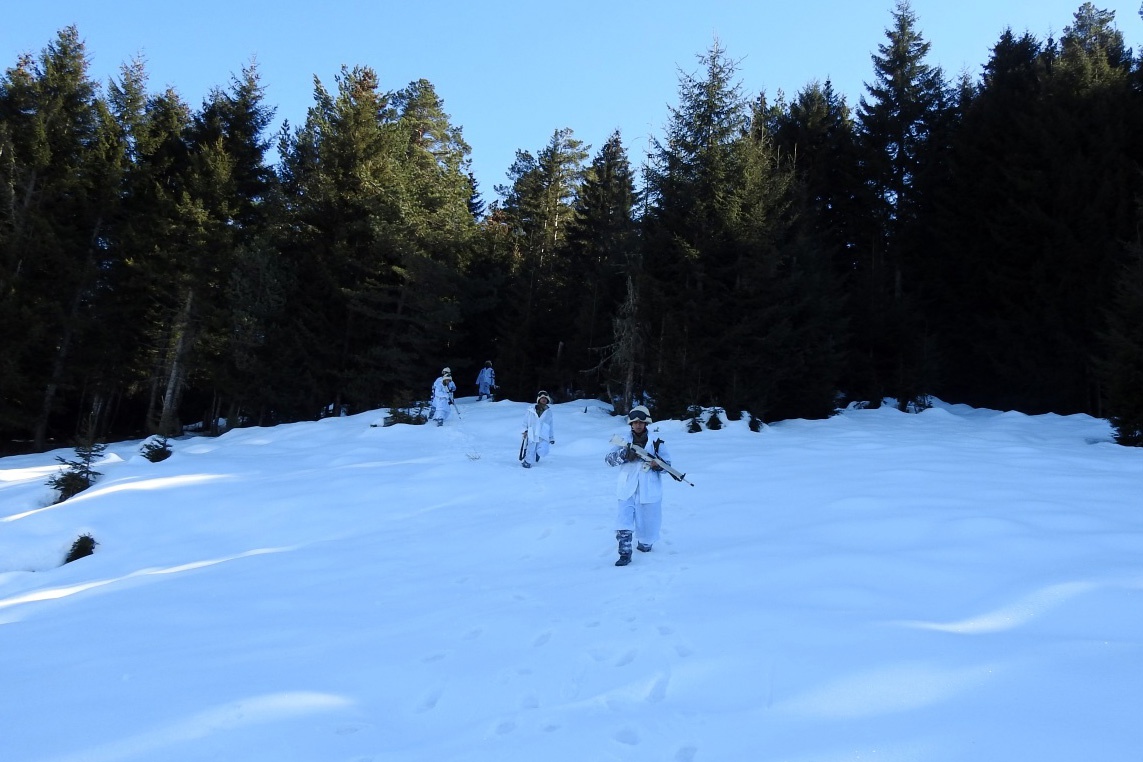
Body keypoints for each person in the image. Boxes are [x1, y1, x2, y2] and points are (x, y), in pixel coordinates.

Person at [604, 405, 672, 566]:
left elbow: (668, 465)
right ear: (631, 424)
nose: (638, 425)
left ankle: (646, 543)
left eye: (641, 422)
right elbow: (608, 460)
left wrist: (658, 465)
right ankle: (624, 552)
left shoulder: (657, 443)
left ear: (646, 423)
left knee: (648, 525)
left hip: (649, 489)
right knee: (623, 521)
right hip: (627, 487)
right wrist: (625, 455)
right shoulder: (623, 441)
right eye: (635, 422)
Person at [520, 390, 555, 468]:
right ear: (539, 399)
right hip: (532, 432)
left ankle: (537, 454)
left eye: (545, 398)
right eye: (542, 398)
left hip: (543, 434)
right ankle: (527, 462)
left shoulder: (549, 412)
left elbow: (551, 425)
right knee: (530, 448)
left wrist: (551, 437)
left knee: (543, 451)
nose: (544, 400)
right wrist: (524, 430)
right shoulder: (531, 410)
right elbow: (525, 421)